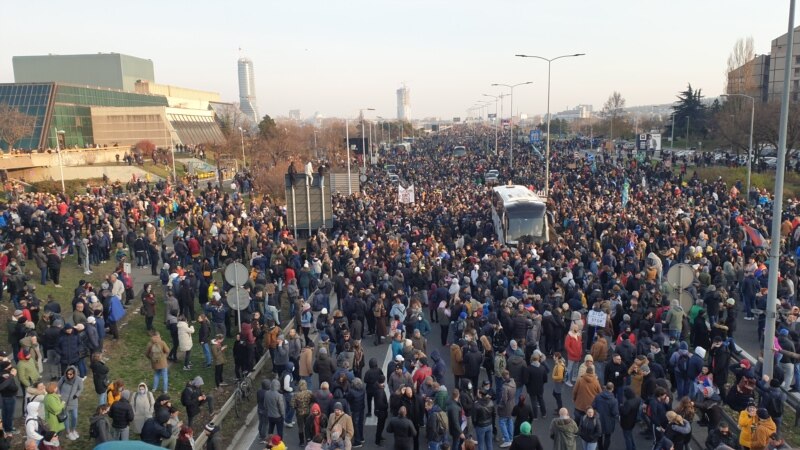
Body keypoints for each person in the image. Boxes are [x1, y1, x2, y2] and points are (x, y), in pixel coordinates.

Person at [57, 365, 83, 441]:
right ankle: (68, 433)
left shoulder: (78, 380)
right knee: (66, 417)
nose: (69, 376)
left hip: (73, 401)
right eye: (68, 374)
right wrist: (59, 395)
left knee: (75, 416)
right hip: (63, 401)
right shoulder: (63, 378)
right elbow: (58, 386)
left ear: (74, 373)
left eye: (71, 374)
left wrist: (76, 395)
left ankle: (73, 430)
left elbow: (80, 388)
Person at [591, 383, 618, 450]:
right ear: (612, 389)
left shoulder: (598, 396)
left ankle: (600, 448)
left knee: (599, 436)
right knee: (607, 437)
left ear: (606, 388)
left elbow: (593, 405)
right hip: (609, 421)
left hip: (599, 419)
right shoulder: (614, 400)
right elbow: (614, 413)